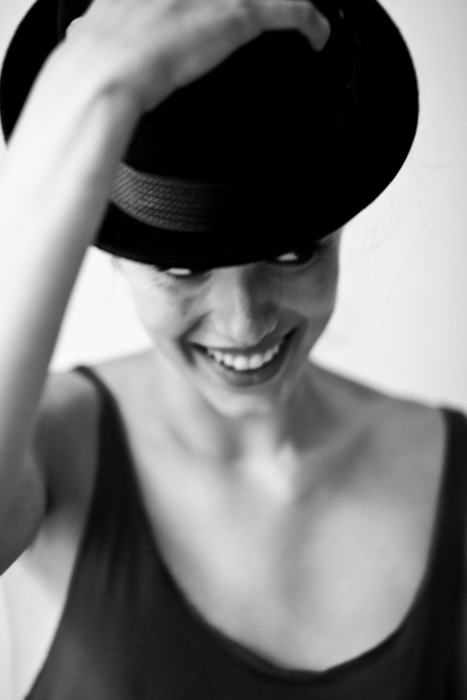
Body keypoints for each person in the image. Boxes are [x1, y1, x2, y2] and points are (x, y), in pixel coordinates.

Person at [0, 0, 465, 697]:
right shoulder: (47, 448)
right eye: (182, 268)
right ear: (109, 250)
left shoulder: (454, 472)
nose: (245, 325)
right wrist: (92, 87)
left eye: (293, 253)